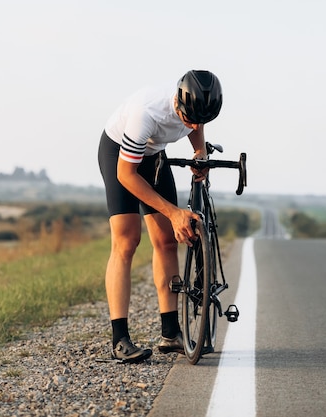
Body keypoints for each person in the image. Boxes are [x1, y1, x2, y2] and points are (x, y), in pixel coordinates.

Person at [97, 70, 223, 363]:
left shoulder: (196, 110)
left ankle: (171, 333)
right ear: (177, 103)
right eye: (188, 118)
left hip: (154, 155)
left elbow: (197, 124)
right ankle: (120, 340)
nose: (193, 124)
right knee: (127, 240)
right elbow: (126, 175)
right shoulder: (147, 112)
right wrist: (173, 212)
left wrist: (199, 151)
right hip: (120, 155)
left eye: (200, 120)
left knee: (167, 241)